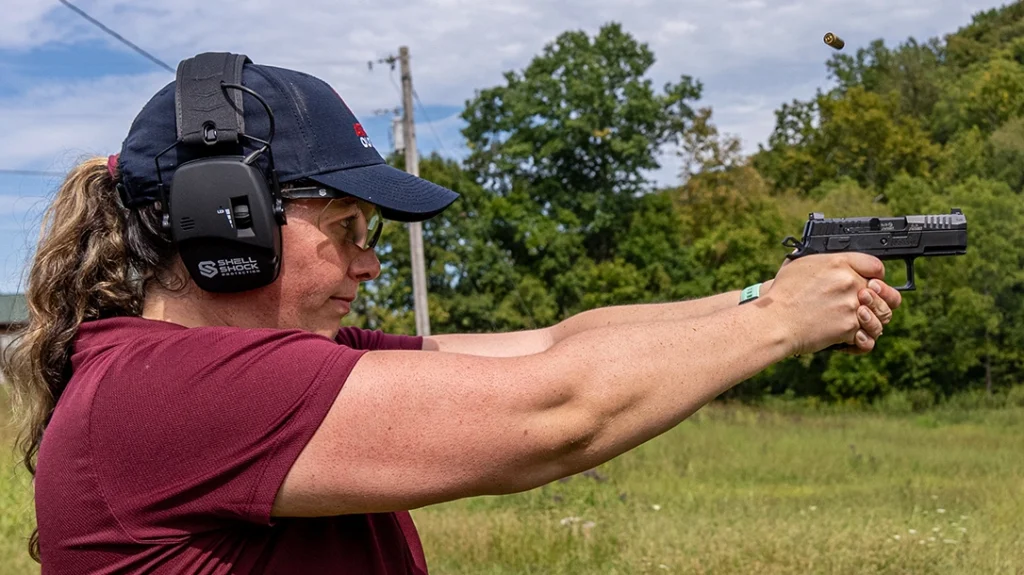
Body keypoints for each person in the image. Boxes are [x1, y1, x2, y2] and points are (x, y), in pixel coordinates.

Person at [0, 52, 901, 574]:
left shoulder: (263, 369)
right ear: (222, 220)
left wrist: (763, 291)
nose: (369, 258)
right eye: (346, 226)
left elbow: (554, 342)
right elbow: (554, 411)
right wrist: (779, 322)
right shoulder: (166, 391)